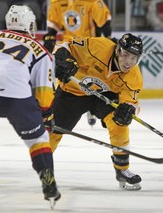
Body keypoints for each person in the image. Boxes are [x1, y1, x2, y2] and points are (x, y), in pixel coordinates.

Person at [0, 5, 61, 205]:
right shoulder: (40, 49)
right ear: (30, 25)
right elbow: (44, 94)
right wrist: (45, 116)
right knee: (38, 139)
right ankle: (48, 180)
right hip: (17, 96)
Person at [48, 33, 144, 190]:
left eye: (134, 58)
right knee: (54, 128)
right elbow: (64, 45)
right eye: (126, 55)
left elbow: (132, 102)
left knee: (119, 123)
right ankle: (43, 162)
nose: (128, 62)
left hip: (103, 96)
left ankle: (122, 170)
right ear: (118, 50)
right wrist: (62, 59)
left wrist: (129, 110)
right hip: (73, 92)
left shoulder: (134, 75)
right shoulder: (98, 47)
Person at [43, 0, 112, 127]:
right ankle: (57, 108)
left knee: (91, 76)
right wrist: (51, 34)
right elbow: (53, 21)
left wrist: (108, 39)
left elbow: (104, 20)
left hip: (89, 45)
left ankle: (91, 103)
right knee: (62, 73)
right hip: (68, 44)